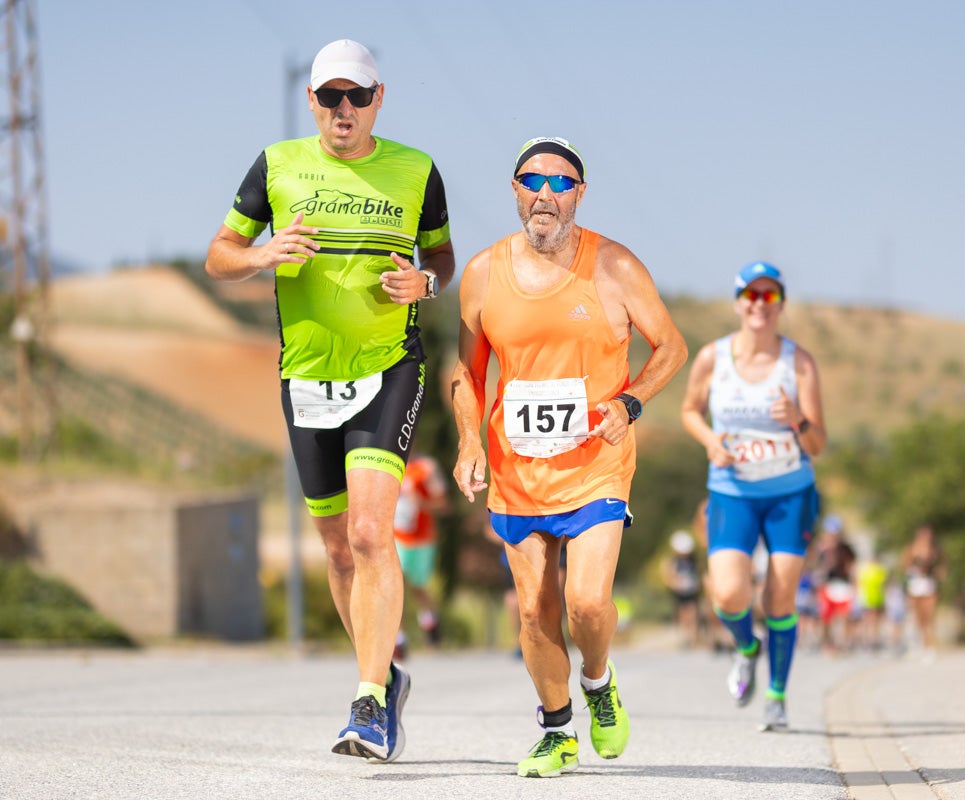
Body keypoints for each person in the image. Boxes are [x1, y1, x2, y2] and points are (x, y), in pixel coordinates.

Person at [204, 39, 455, 763]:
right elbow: (219, 253)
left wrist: (427, 285)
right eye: (330, 96)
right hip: (306, 378)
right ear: (311, 102)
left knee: (376, 536)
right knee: (340, 549)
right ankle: (382, 675)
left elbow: (440, 256)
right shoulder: (277, 165)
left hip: (389, 368)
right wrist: (263, 254)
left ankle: (370, 702)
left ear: (380, 99)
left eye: (358, 96)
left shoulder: (416, 170)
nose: (343, 110)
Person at [450, 136, 687, 777]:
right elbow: (468, 374)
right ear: (515, 189)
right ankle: (557, 731)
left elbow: (670, 347)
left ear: (579, 193)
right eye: (534, 180)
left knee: (585, 603)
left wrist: (630, 402)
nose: (546, 194)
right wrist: (469, 441)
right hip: (518, 467)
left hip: (596, 463)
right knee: (533, 610)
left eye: (561, 183)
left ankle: (599, 680)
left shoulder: (614, 266)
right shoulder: (481, 273)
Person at [680, 260, 826, 733]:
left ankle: (777, 696)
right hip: (733, 491)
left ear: (780, 303)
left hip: (789, 493)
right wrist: (709, 441)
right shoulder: (712, 358)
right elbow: (689, 411)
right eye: (752, 295)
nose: (760, 305)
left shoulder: (798, 363)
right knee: (727, 592)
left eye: (770, 296)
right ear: (739, 301)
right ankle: (747, 648)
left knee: (780, 598)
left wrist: (797, 421)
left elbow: (819, 443)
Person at [390, 451, 449, 661]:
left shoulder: (427, 467)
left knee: (419, 587)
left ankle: (431, 626)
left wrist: (420, 502)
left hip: (423, 539)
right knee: (396, 587)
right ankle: (398, 641)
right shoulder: (387, 462)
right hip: (396, 537)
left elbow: (442, 504)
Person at [902, 523, 946, 652]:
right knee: (919, 615)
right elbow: (904, 565)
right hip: (916, 583)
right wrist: (914, 568)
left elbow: (943, 564)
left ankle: (929, 644)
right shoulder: (911, 548)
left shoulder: (935, 549)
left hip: (929, 582)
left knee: (930, 615)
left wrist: (939, 572)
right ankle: (921, 641)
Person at [660, 530, 703, 648]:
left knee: (693, 612)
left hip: (692, 590)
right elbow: (668, 575)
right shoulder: (673, 561)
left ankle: (693, 637)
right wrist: (674, 583)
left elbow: (698, 574)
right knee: (682, 613)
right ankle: (685, 636)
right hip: (679, 592)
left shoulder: (693, 560)